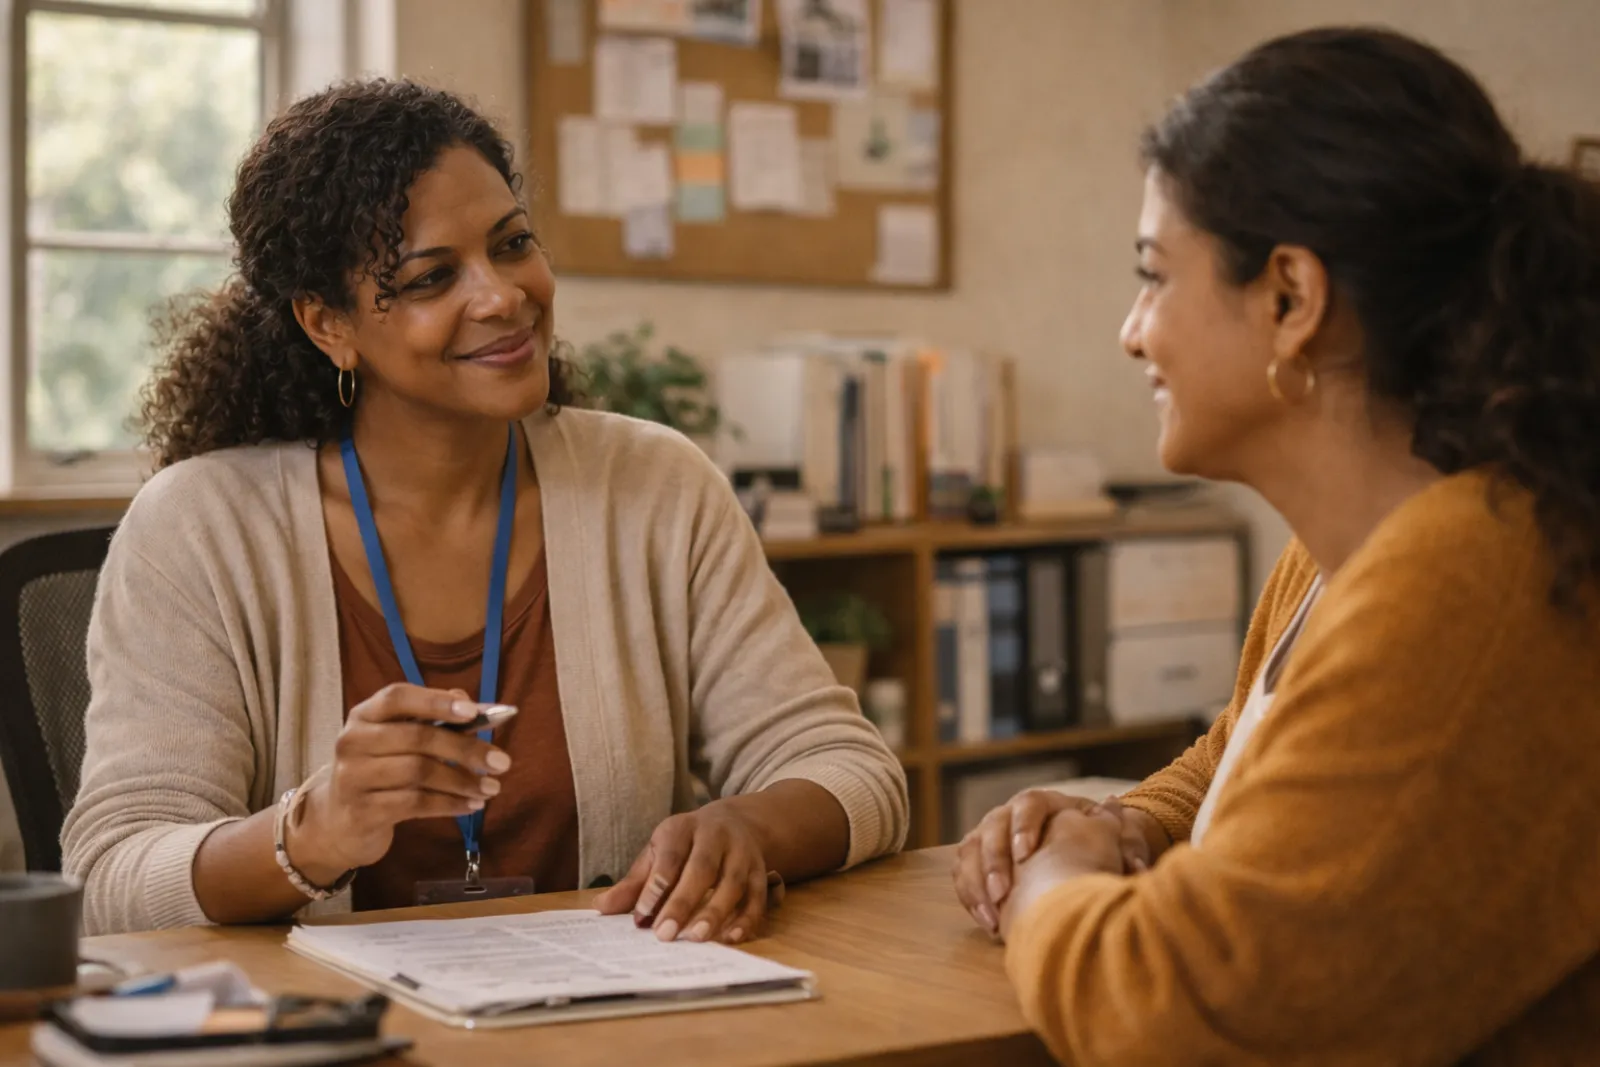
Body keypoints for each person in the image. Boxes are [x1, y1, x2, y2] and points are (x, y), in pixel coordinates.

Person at [61, 80, 907, 938]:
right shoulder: (199, 528)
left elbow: (853, 769)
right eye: (432, 277)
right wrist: (311, 832)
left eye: (513, 244)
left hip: (611, 1004)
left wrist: (750, 827)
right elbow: (112, 878)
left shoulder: (655, 486)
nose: (502, 295)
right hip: (325, 1014)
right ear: (329, 325)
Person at [951, 26, 1600, 1065]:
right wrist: (1124, 823)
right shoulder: (1347, 551)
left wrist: (1048, 886)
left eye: (1155, 276)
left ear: (1291, 297)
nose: (1131, 330)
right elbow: (1247, 757)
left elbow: (1167, 1011)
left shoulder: (1473, 570)